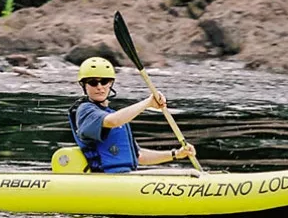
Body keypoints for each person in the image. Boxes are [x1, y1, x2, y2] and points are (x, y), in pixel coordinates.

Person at [67, 56, 196, 173]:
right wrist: (147, 103)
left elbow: (139, 156)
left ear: (110, 83)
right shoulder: (85, 111)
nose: (99, 87)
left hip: (126, 177)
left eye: (104, 81)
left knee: (188, 174)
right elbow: (112, 121)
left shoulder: (113, 114)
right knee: (189, 174)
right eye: (93, 82)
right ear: (84, 85)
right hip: (105, 178)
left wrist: (175, 154)